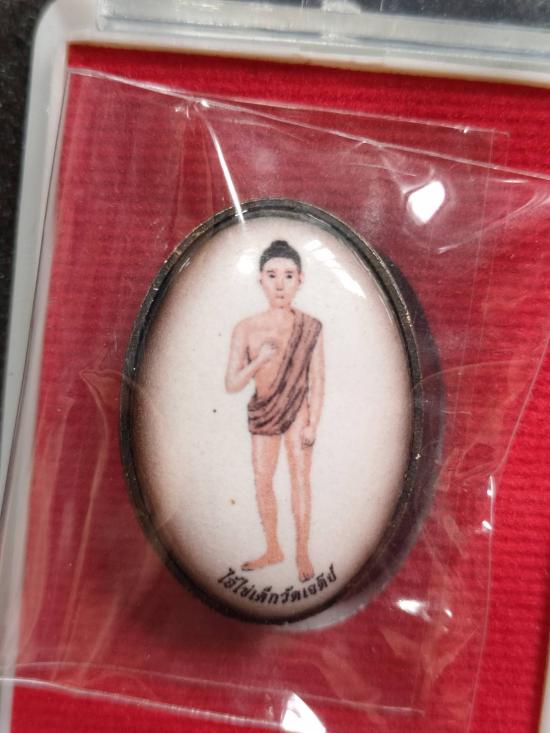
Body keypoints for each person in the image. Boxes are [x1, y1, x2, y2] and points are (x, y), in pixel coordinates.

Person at [225, 240, 324, 582]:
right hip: (262, 411)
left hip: (298, 411)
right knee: (263, 480)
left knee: (300, 480)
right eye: (272, 275)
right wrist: (260, 361)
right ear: (260, 280)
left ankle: (302, 553)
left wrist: (313, 423)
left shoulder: (311, 326)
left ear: (300, 279)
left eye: (288, 275)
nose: (280, 284)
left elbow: (317, 378)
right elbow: (232, 383)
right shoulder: (246, 328)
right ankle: (272, 548)